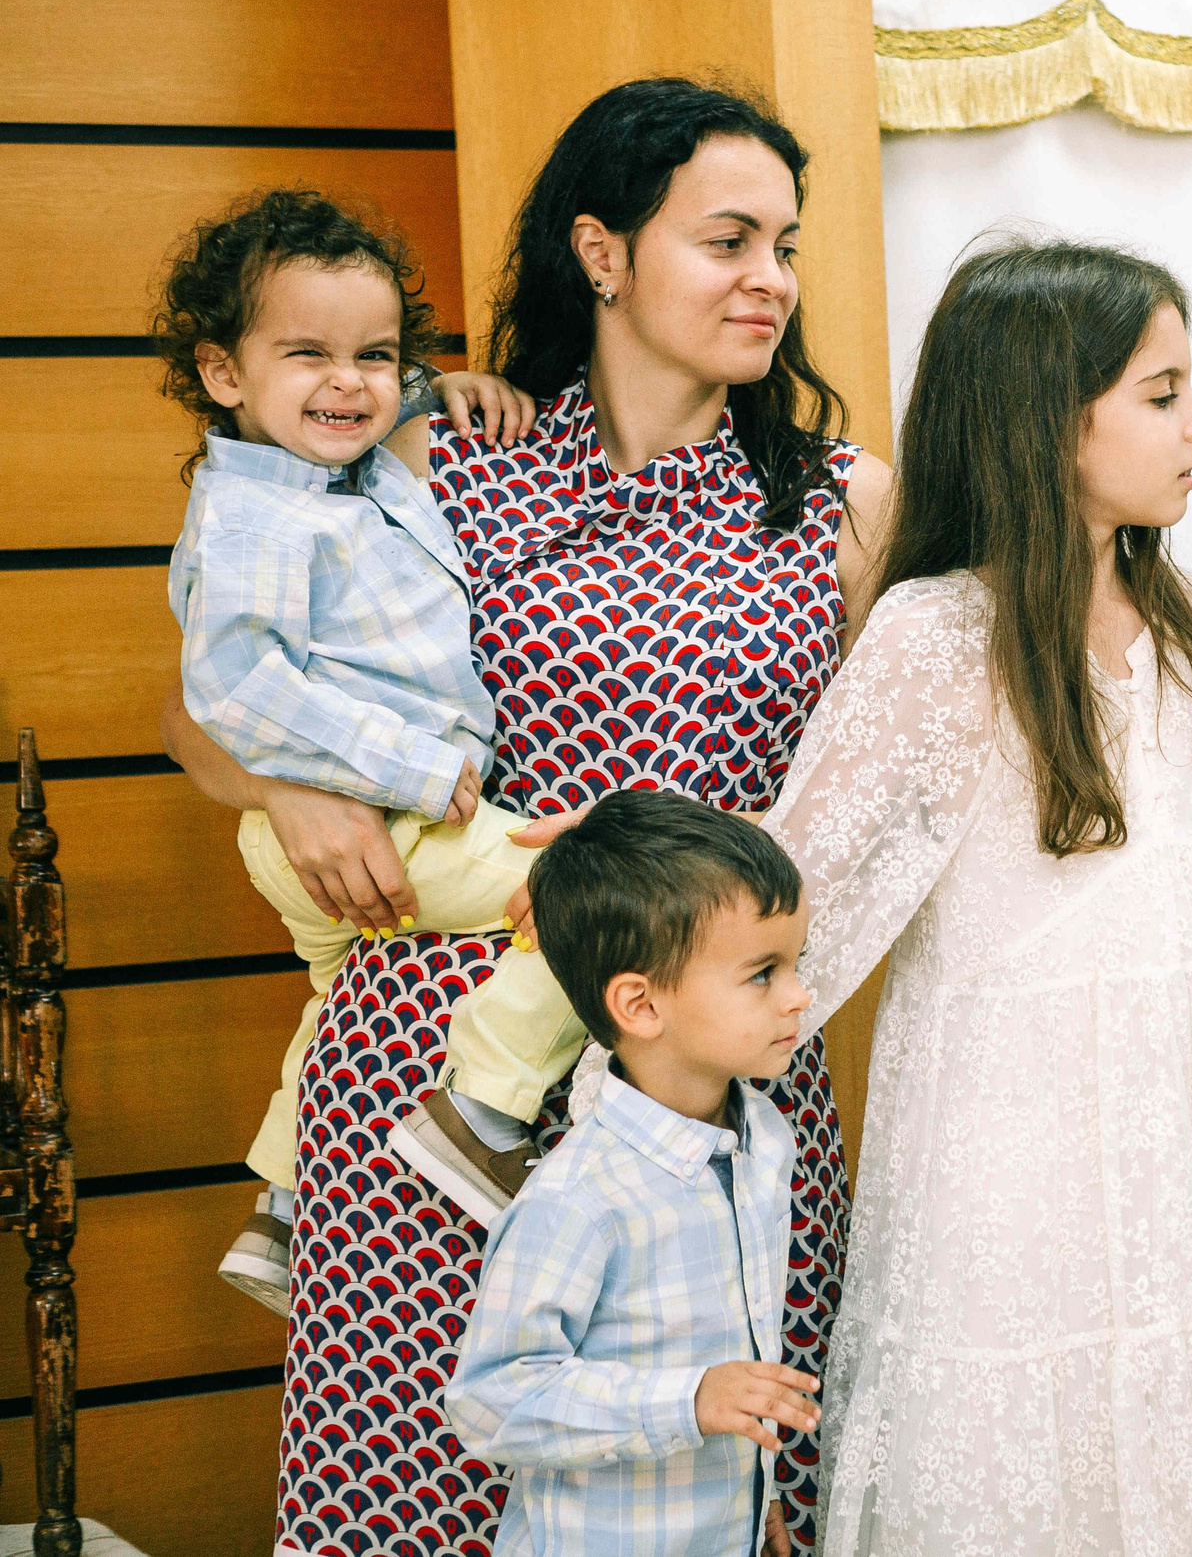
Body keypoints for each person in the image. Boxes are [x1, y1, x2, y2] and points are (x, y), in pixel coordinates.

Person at [162, 78, 892, 1555]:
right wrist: (295, 789)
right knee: (415, 1490)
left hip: (701, 1076)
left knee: (701, 1492)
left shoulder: (844, 500)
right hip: (432, 1079)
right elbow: (203, 705)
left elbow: (890, 786)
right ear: (602, 252)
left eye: (785, 246)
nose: (769, 278)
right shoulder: (437, 458)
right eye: (727, 240)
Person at [761, 241, 1192, 1554]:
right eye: (1160, 393)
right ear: (1051, 418)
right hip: (1008, 1148)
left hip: (1180, 1126)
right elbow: (799, 890)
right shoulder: (939, 634)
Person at [150, 190, 595, 1312]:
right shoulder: (256, 517)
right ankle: (482, 1111)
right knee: (600, 893)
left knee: (336, 992)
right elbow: (234, 686)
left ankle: (284, 1204)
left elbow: (382, 407)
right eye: (309, 354)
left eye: (377, 355)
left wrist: (441, 390)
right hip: (383, 814)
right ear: (223, 371)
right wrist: (413, 771)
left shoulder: (345, 474)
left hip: (342, 830)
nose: (349, 382)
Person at [451, 791, 821, 1557]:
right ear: (641, 1004)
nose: (799, 996)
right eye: (762, 973)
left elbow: (739, 1352)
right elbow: (491, 1399)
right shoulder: (578, 1200)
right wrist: (687, 1399)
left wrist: (754, 1503)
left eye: (796, 963)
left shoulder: (766, 1142)